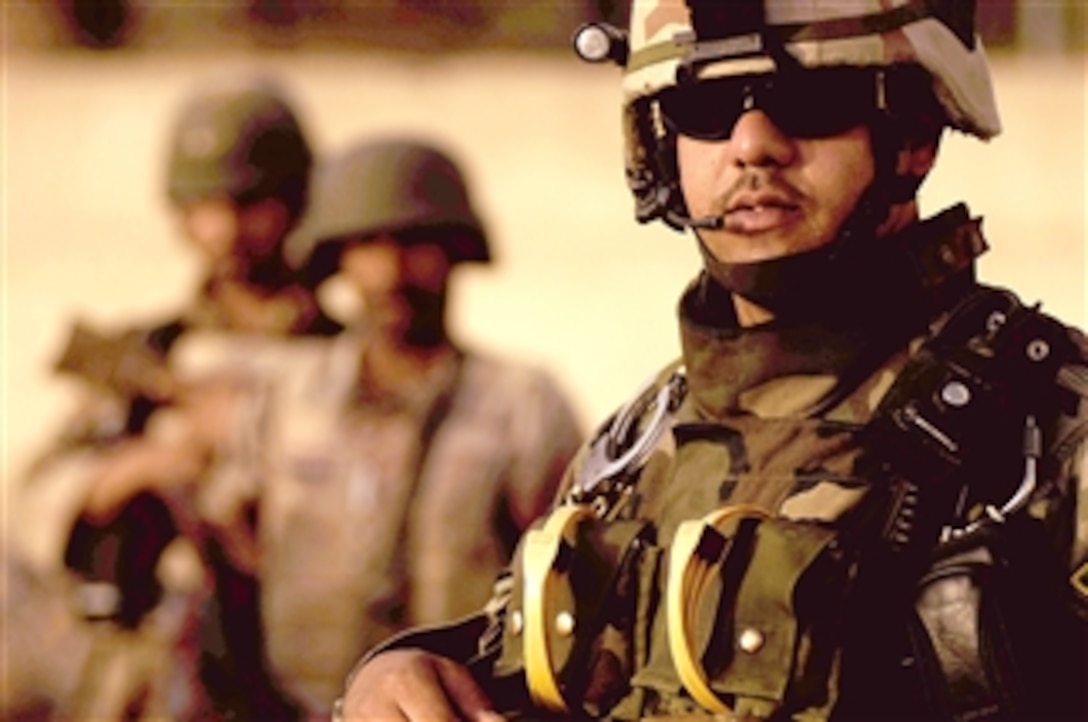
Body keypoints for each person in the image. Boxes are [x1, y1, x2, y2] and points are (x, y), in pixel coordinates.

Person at [335, 2, 1088, 721]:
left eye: (811, 100)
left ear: (915, 137)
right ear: (662, 147)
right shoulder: (638, 442)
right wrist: (413, 670)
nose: (753, 144)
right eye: (706, 109)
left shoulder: (1048, 429)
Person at [9, 73, 338, 721]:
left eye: (250, 205)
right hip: (150, 669)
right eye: (205, 207)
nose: (226, 230)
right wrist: (132, 473)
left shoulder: (342, 362)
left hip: (297, 662)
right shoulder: (151, 355)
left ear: (293, 205)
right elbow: (32, 498)